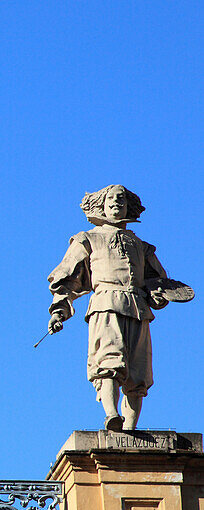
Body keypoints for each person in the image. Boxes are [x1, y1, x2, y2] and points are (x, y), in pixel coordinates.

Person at [47, 184, 182, 431]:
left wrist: (158, 295)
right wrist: (59, 311)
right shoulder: (87, 239)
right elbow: (66, 278)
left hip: (138, 308)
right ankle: (111, 415)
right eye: (112, 199)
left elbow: (157, 282)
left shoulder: (142, 246)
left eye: (121, 199)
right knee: (109, 361)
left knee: (139, 371)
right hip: (106, 304)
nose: (117, 203)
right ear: (102, 204)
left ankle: (130, 427)